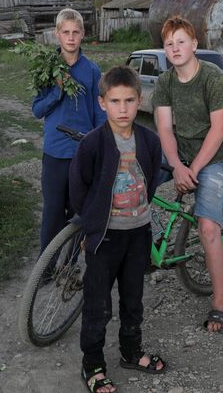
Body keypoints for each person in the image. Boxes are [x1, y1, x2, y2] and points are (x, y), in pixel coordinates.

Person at [69, 66, 166, 393]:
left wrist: (136, 214)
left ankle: (130, 351)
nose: (122, 108)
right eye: (115, 101)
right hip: (105, 239)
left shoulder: (150, 141)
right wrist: (94, 223)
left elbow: (151, 181)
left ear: (139, 101)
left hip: (138, 234)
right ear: (102, 103)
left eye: (129, 100)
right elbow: (78, 188)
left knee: (133, 299)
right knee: (98, 304)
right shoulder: (93, 145)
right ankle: (93, 365)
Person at [151, 15, 223, 334]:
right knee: (131, 183)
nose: (175, 48)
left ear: (194, 44)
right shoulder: (165, 81)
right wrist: (176, 166)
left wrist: (193, 170)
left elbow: (220, 129)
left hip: (213, 156)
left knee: (207, 228)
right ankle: (152, 233)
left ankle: (221, 301)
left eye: (181, 41)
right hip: (179, 154)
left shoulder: (212, 77)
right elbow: (163, 129)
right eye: (169, 43)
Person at [32, 8, 106, 255]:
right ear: (57, 34)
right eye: (66, 32)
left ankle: (70, 267)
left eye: (75, 32)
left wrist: (101, 145)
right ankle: (47, 267)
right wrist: (57, 91)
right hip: (55, 152)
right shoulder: (46, 69)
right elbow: (37, 109)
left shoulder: (92, 71)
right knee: (52, 212)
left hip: (82, 152)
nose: (71, 38)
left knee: (79, 212)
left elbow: (99, 112)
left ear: (83, 34)